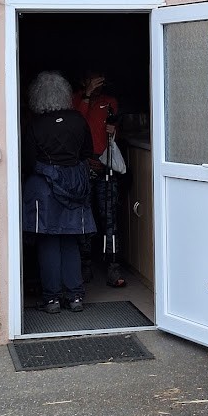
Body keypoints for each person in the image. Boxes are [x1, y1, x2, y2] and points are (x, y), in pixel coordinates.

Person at [22, 71, 96, 313]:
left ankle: (52, 299)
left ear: (36, 97)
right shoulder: (77, 120)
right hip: (75, 183)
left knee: (48, 241)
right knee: (70, 240)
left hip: (44, 187)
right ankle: (75, 296)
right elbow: (88, 152)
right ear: (65, 95)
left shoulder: (34, 125)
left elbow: (29, 161)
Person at [73, 69, 126, 288]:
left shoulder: (109, 101)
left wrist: (114, 130)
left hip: (105, 165)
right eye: (91, 79)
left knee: (110, 218)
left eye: (99, 79)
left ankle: (113, 267)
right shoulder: (75, 99)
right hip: (83, 166)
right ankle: (84, 266)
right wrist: (87, 95)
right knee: (84, 218)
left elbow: (115, 133)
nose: (96, 84)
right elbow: (76, 124)